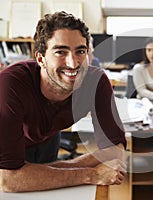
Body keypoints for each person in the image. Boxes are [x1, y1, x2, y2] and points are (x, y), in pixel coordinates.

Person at [0, 11, 127, 192]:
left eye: (80, 51)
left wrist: (45, 173)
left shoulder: (96, 81)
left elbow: (115, 149)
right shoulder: (10, 83)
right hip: (7, 142)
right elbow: (9, 180)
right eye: (61, 51)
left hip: (47, 138)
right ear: (40, 58)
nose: (73, 63)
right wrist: (90, 173)